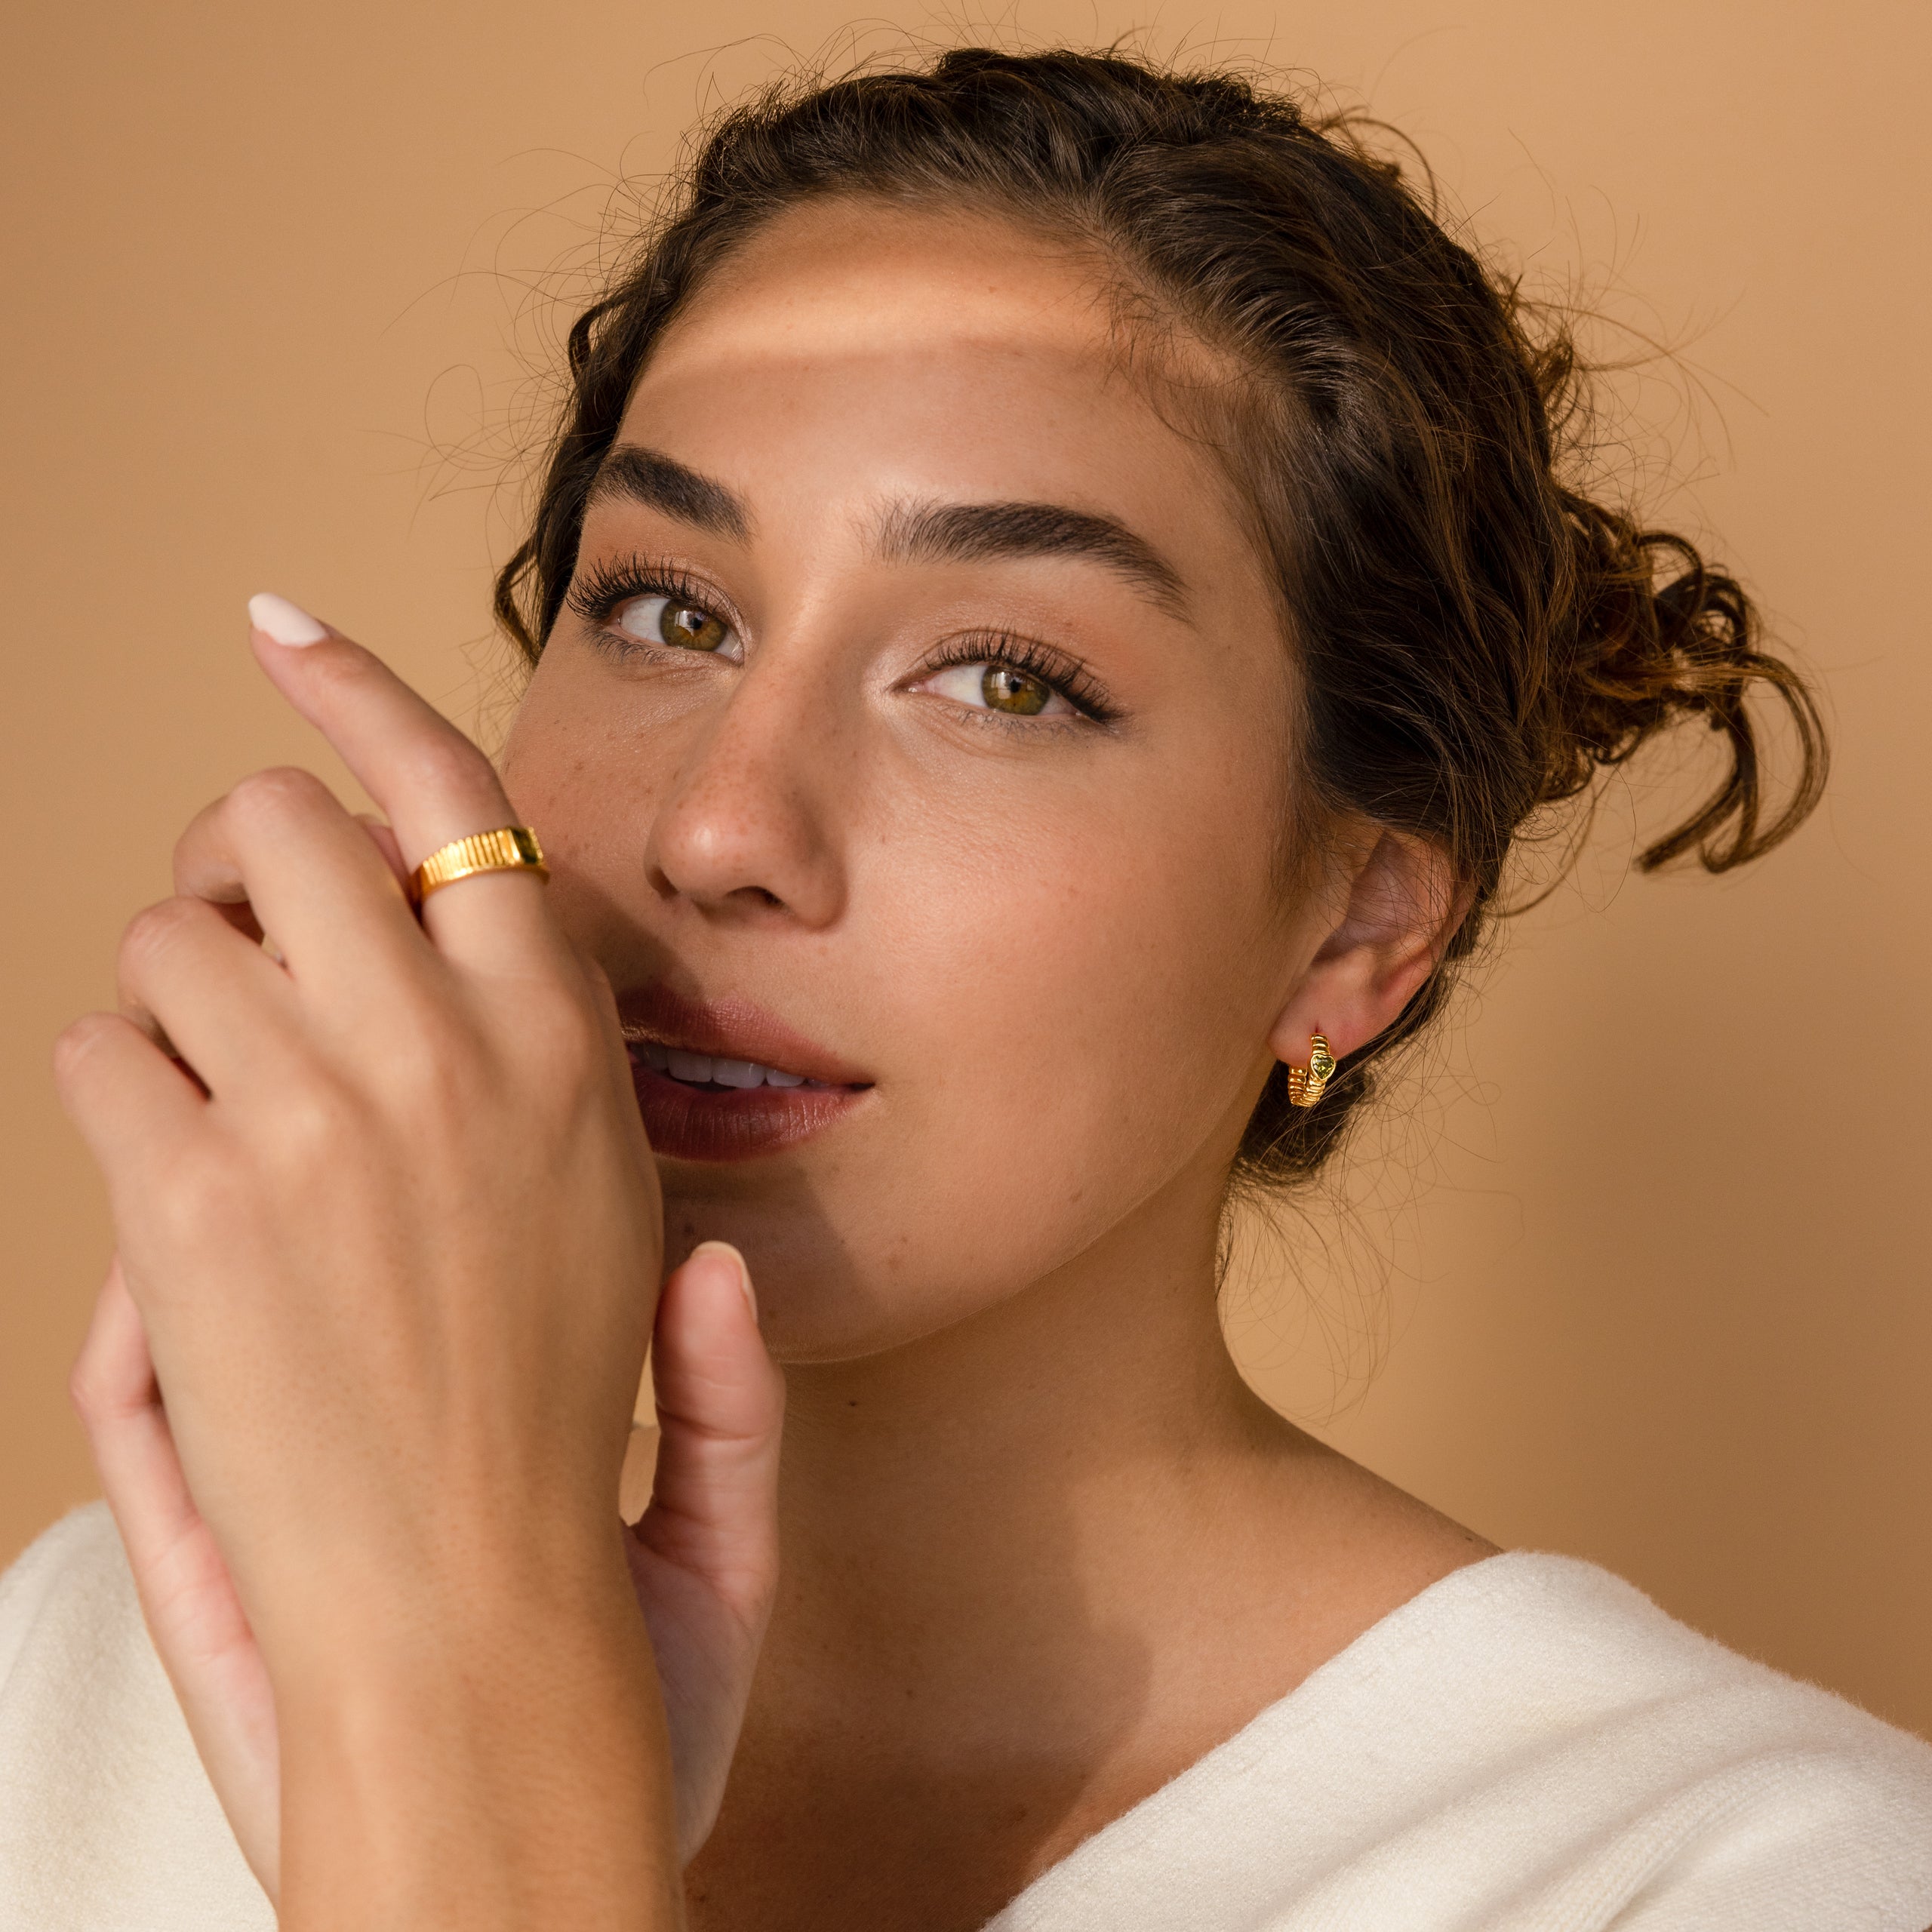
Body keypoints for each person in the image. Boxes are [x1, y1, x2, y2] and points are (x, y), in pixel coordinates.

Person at [4, 44, 1930, 1932]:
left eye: (1007, 678)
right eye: (669, 612)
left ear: (1354, 931)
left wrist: (475, 1726)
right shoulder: (89, 1668)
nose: (716, 826)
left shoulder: (1726, 1872)